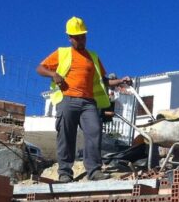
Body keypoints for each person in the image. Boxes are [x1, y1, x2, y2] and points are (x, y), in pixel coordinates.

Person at [36, 16, 131, 183]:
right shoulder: (63, 52)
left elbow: (104, 80)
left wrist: (121, 81)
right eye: (77, 37)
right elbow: (40, 68)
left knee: (94, 131)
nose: (81, 40)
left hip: (88, 103)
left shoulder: (92, 57)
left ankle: (94, 170)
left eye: (83, 36)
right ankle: (65, 172)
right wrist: (54, 74)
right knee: (66, 135)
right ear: (70, 38)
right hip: (67, 100)